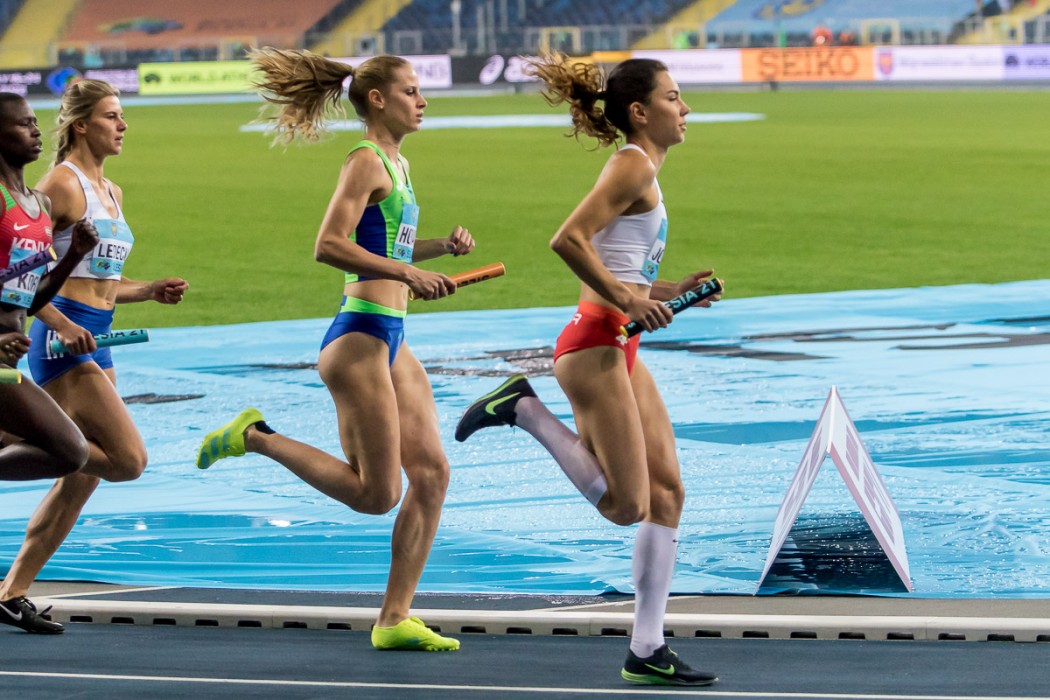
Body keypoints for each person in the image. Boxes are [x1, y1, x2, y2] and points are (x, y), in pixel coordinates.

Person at [195, 48, 473, 652]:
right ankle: (254, 436)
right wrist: (407, 274)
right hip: (359, 341)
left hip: (393, 339)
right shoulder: (365, 160)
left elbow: (388, 246)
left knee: (432, 474)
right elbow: (328, 244)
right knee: (377, 495)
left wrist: (436, 252)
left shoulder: (398, 163)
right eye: (410, 91)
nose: (422, 100)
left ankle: (394, 619)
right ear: (378, 99)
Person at [455, 53, 719, 686]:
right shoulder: (633, 165)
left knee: (668, 495)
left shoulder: (644, 169)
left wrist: (669, 290)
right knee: (627, 505)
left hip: (620, 343)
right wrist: (630, 299)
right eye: (674, 98)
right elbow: (567, 239)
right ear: (641, 111)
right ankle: (522, 408)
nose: (686, 109)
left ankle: (647, 649)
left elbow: (621, 264)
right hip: (595, 345)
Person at [0, 80, 188, 634]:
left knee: (80, 479)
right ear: (81, 125)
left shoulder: (112, 190)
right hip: (63, 341)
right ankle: (13, 436)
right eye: (111, 116)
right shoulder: (60, 185)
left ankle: (12, 592)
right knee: (126, 460)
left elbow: (100, 280)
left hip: (96, 338)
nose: (123, 125)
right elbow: (22, 277)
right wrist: (59, 325)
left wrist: (148, 290)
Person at [0, 91, 99, 633]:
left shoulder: (36, 206)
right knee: (70, 450)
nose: (36, 132)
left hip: (8, 354)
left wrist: (74, 255)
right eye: (23, 125)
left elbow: (30, 297)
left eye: (35, 123)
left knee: (60, 451)